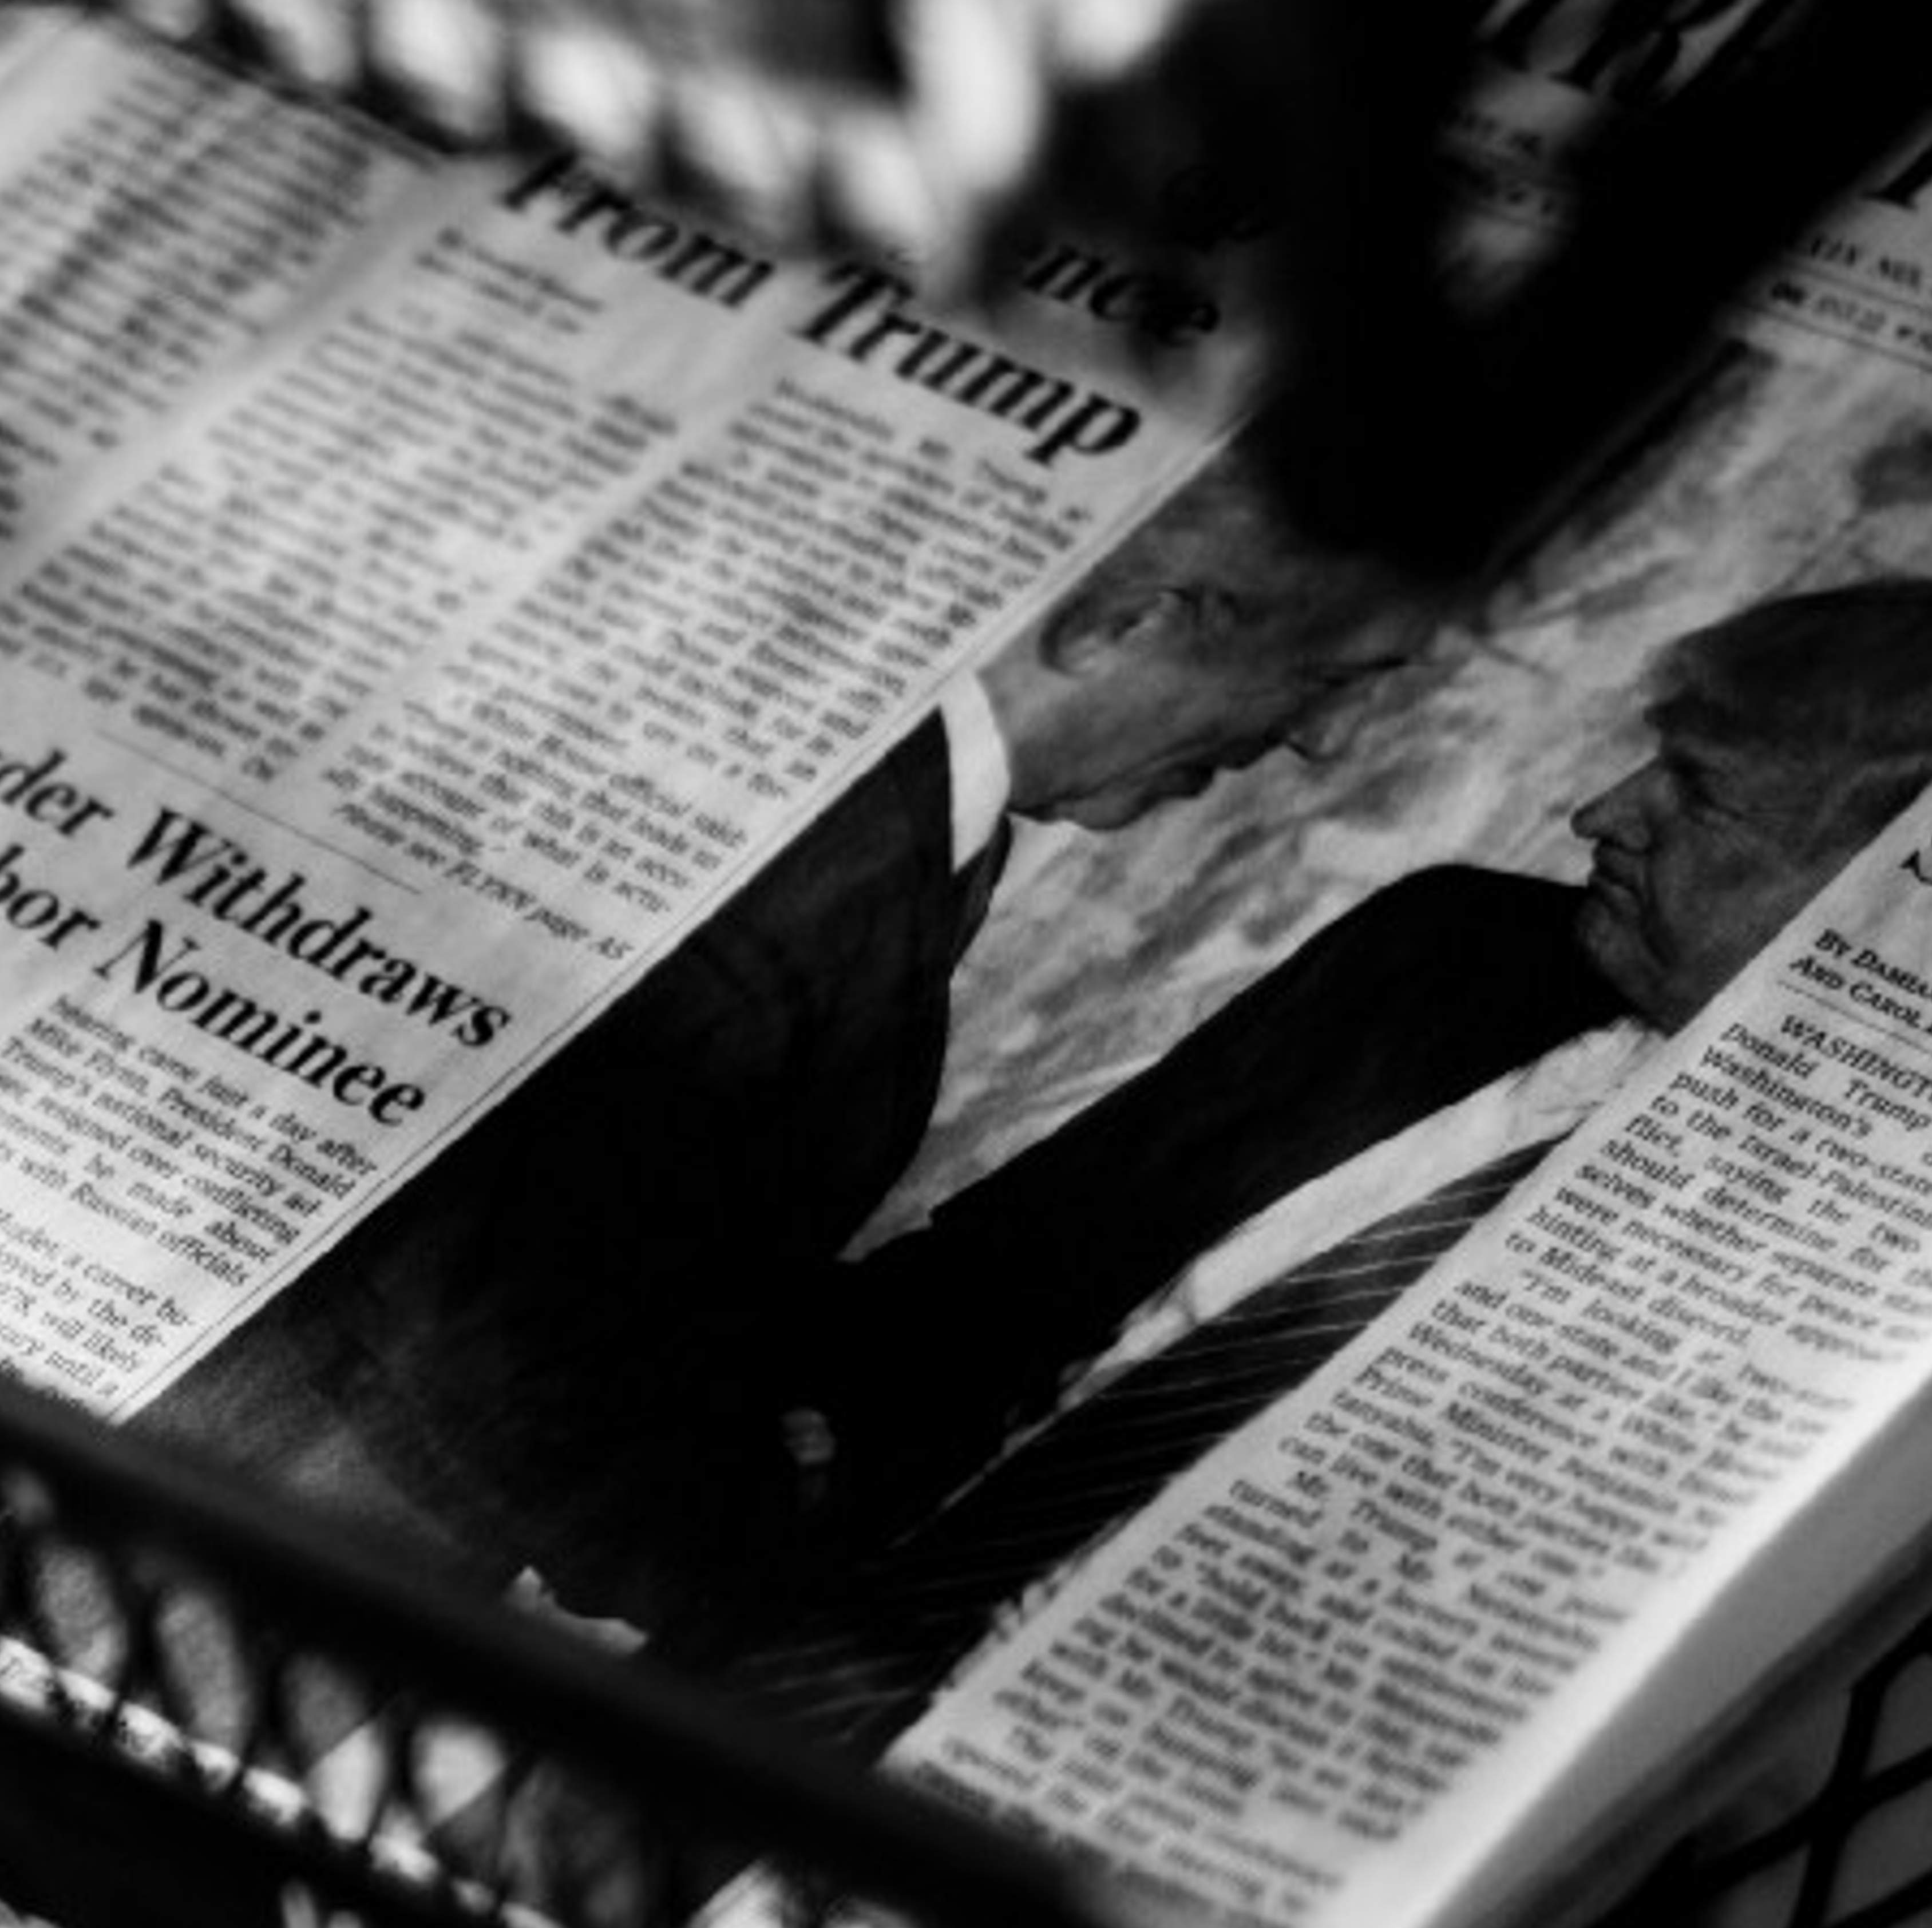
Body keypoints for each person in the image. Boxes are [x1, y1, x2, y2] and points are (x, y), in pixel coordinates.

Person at [137, 453, 1442, 1657]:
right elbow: (472, 1344)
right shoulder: (807, 887)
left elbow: (621, 1226)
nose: (1321, 739)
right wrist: (750, 1505)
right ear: (1126, 622)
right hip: (252, 1547)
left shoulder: (891, 793)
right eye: (1324, 673)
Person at [787, 571, 1932, 1599]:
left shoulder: (1867, 1247)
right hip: (850, 1572)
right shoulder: (1450, 951)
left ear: (1887, 889)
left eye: (1698, 790)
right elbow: (996, 1269)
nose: (1598, 815)